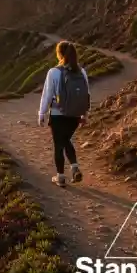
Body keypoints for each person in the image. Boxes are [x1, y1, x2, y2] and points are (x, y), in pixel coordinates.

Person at [38, 41, 90, 187]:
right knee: (66, 139)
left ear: (59, 54)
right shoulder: (81, 71)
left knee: (59, 144)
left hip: (57, 114)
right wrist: (85, 114)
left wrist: (41, 113)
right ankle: (74, 167)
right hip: (74, 115)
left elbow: (47, 95)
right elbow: (86, 94)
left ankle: (60, 177)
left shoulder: (54, 72)